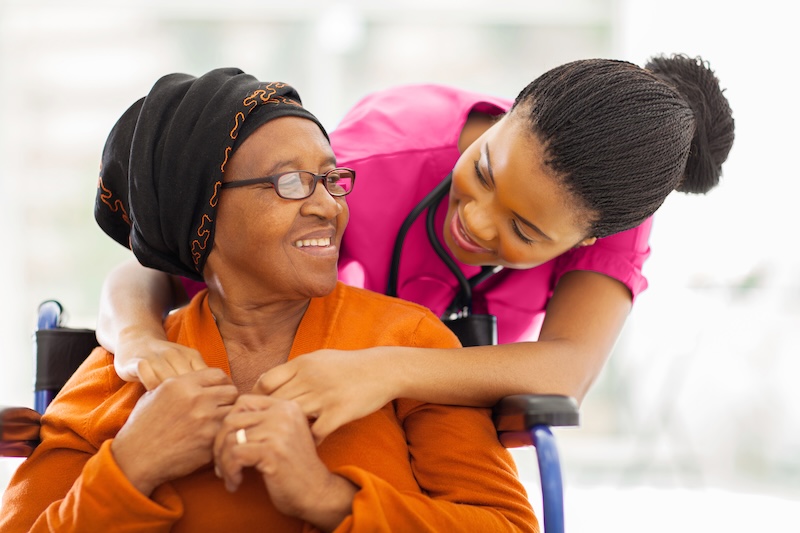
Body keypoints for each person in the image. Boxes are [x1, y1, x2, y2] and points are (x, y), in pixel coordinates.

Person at [0, 69, 537, 532]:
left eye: (330, 178)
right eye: (291, 182)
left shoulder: (409, 342)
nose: (329, 206)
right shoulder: (122, 371)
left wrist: (326, 497)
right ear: (202, 213)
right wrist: (131, 467)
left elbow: (506, 525)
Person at [97, 54, 735, 443]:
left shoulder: (608, 203)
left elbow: (567, 370)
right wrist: (138, 341)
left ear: (590, 238)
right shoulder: (369, 165)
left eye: (524, 231)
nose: (476, 223)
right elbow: (148, 271)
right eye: (483, 171)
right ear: (507, 114)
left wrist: (383, 369)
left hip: (425, 441)